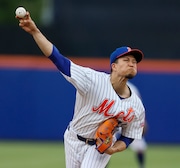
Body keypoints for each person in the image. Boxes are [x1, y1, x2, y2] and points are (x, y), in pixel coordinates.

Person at [16, 11, 145, 168]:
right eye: (126, 60)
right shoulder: (92, 80)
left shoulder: (136, 106)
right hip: (73, 138)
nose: (132, 63)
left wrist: (113, 149)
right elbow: (59, 60)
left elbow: (129, 135)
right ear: (114, 66)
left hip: (99, 148)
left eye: (134, 61)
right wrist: (35, 32)